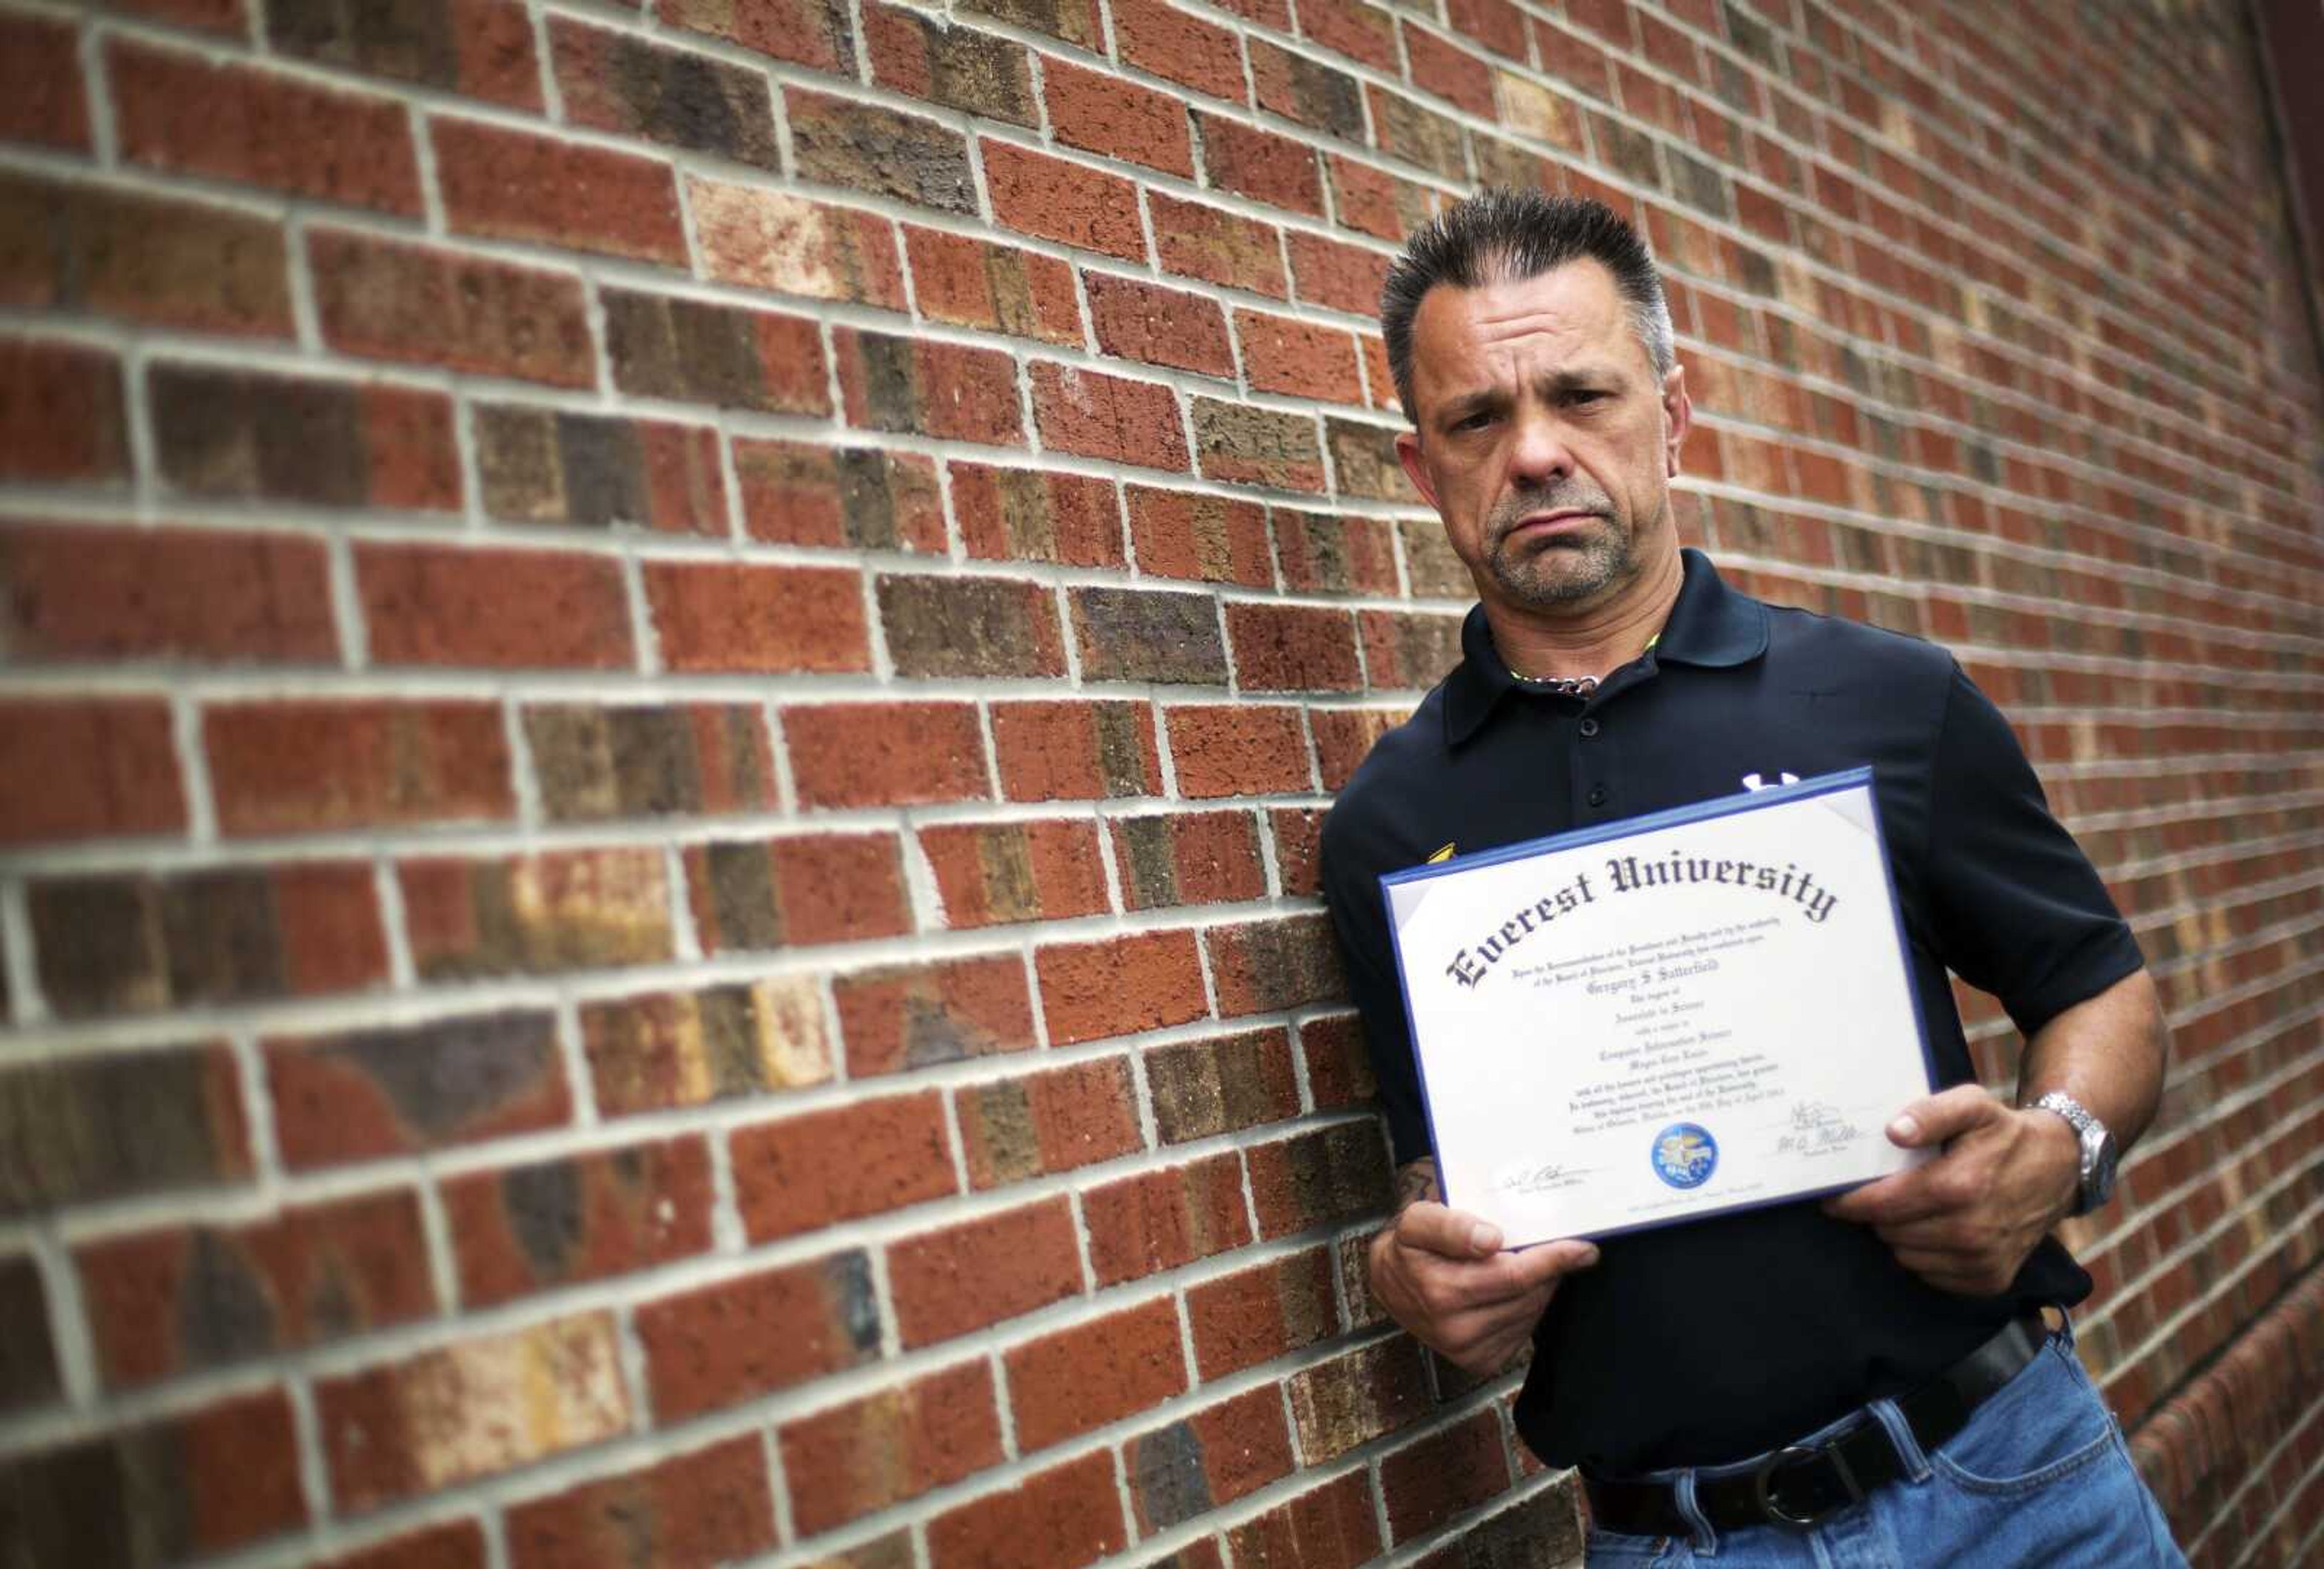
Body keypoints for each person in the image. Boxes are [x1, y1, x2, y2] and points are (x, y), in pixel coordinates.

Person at [1318, 188, 2184, 1565]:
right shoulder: (1389, 825)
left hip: (2016, 1481)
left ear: (1673, 413)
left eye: (1582, 395)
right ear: (1423, 469)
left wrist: (2059, 1149)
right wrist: (1413, 1268)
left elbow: (2102, 989)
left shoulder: (1886, 701)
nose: (1536, 452)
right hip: (1684, 1543)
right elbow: (1441, 1159)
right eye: (1477, 418)